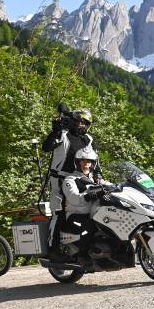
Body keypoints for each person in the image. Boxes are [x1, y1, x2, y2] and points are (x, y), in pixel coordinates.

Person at [43, 106, 102, 259]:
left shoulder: (89, 139)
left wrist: (99, 176)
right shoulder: (63, 134)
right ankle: (53, 248)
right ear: (74, 120)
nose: (81, 124)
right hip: (61, 178)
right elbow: (46, 147)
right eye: (79, 121)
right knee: (59, 212)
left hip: (82, 179)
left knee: (90, 208)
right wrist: (54, 131)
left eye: (85, 122)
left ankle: (84, 244)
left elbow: (95, 160)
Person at [58, 146, 109, 262]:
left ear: (93, 163)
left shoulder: (96, 179)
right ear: (78, 162)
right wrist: (87, 196)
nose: (87, 163)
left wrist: (121, 187)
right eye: (84, 160)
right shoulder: (70, 179)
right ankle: (82, 257)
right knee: (89, 228)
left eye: (89, 161)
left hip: (95, 214)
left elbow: (109, 185)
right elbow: (73, 198)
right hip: (76, 216)